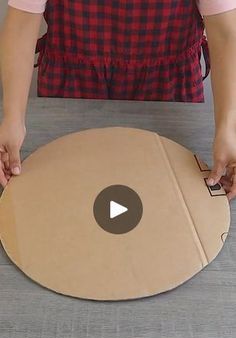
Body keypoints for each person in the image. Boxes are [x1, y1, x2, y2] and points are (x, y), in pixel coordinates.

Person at [0, 1, 236, 199]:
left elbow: (225, 33)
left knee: (168, 204)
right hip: (71, 90)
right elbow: (22, 22)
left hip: (168, 93)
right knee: (66, 198)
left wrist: (229, 129)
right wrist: (12, 120)